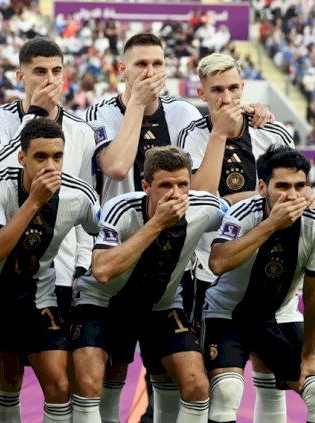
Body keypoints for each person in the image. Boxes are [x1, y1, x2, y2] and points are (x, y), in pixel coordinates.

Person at [84, 34, 272, 420]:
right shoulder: (99, 113)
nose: (149, 73)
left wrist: (251, 112)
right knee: (110, 371)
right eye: (140, 65)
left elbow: (213, 162)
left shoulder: (184, 114)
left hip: (175, 264)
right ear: (122, 69)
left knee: (173, 371)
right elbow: (117, 167)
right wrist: (136, 103)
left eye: (157, 64)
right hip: (119, 248)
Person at [0, 37, 96, 421]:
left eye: (56, 71)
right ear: (21, 75)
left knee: (62, 379)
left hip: (59, 270)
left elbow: (84, 203)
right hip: (3, 271)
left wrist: (82, 265)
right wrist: (35, 115)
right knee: (7, 375)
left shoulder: (81, 130)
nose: (49, 78)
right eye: (39, 71)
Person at [177, 53, 297, 421]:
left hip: (266, 266)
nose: (226, 98)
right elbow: (198, 201)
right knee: (221, 383)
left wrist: (232, 201)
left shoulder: (272, 131)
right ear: (202, 93)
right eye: (216, 90)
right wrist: (217, 134)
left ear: (243, 88)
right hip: (210, 273)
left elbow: (290, 196)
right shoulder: (192, 135)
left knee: (271, 373)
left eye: (233, 88)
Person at [0, 118, 100, 423]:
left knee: (60, 386)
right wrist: (34, 202)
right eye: (40, 157)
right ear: (22, 158)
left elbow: (102, 230)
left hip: (37, 295)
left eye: (57, 157)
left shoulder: (79, 195)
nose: (50, 165)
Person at [71, 146, 226, 423]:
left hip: (161, 303)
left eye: (183, 185)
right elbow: (103, 270)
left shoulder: (204, 207)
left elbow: (244, 215)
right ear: (146, 186)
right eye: (166, 185)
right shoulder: (121, 209)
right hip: (103, 302)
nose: (176, 194)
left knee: (196, 385)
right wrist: (156, 224)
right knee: (90, 384)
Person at [204, 146, 315, 423]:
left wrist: (309, 354)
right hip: (227, 314)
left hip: (280, 315)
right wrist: (271, 225)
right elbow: (217, 263)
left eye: (300, 186)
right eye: (282, 186)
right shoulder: (243, 214)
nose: (292, 195)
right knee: (227, 391)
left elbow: (314, 298)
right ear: (263, 187)